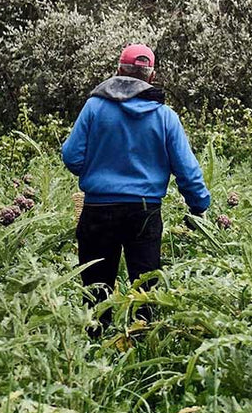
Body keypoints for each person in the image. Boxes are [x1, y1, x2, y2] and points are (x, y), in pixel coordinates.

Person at [61, 44, 210, 335]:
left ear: (119, 70)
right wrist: (198, 206)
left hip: (98, 210)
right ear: (151, 76)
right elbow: (187, 170)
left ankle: (95, 352)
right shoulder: (165, 116)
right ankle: (142, 351)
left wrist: (97, 172)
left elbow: (71, 156)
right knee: (145, 289)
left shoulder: (94, 107)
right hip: (144, 211)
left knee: (95, 289)